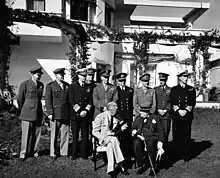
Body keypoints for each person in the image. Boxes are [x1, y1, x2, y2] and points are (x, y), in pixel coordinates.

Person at [132, 73, 164, 176]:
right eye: (144, 81)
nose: (146, 83)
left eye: (147, 81)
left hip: (150, 116)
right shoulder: (137, 91)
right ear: (141, 81)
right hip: (140, 116)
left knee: (150, 142)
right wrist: (141, 113)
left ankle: (152, 165)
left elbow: (154, 104)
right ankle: (141, 165)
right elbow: (135, 103)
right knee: (137, 143)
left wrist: (149, 113)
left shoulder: (152, 91)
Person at [92, 102, 129, 178]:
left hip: (112, 140)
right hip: (103, 140)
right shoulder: (100, 116)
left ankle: (111, 170)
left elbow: (123, 127)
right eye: (115, 110)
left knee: (111, 144)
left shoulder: (116, 117)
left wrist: (121, 128)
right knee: (114, 140)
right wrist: (103, 138)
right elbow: (94, 131)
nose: (117, 111)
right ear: (111, 110)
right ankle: (121, 164)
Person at [17, 67, 44, 161]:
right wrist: (23, 109)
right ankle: (23, 153)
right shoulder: (25, 84)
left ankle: (34, 151)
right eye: (37, 74)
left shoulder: (41, 85)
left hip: (38, 112)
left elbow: (39, 99)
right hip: (27, 112)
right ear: (32, 74)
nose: (39, 76)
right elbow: (20, 99)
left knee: (37, 133)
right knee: (26, 134)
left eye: (40, 75)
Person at [170, 70, 196, 162]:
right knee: (177, 135)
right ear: (180, 78)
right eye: (184, 76)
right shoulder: (174, 89)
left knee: (186, 135)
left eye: (187, 76)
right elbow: (172, 101)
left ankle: (186, 155)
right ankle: (176, 155)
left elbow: (192, 102)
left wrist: (185, 110)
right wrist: (178, 110)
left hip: (187, 116)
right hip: (177, 116)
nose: (186, 78)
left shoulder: (191, 89)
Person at [45, 68, 70, 160]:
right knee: (54, 134)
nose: (62, 76)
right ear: (55, 75)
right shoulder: (50, 86)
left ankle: (64, 152)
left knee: (65, 133)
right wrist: (50, 112)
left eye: (63, 74)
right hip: (55, 113)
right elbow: (48, 100)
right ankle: (53, 152)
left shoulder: (67, 85)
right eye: (60, 74)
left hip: (66, 113)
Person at [68, 68, 93, 160]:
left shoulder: (88, 87)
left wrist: (86, 111)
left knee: (85, 135)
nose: (84, 77)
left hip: (85, 115)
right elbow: (71, 100)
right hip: (75, 115)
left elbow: (90, 100)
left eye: (85, 76)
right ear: (78, 76)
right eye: (82, 76)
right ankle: (74, 154)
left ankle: (84, 154)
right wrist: (79, 111)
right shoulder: (72, 86)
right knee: (75, 136)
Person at [115, 72, 134, 164]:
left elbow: (131, 104)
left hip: (129, 116)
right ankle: (120, 154)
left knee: (129, 135)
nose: (122, 82)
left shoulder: (130, 90)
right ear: (117, 81)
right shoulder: (115, 90)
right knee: (120, 135)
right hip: (120, 117)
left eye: (124, 80)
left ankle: (129, 153)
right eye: (120, 81)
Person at [154, 72, 171, 157]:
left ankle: (165, 153)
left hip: (166, 115)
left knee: (165, 133)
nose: (162, 81)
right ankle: (157, 151)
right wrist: (158, 109)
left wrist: (166, 110)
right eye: (160, 80)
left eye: (163, 80)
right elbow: (154, 101)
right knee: (157, 133)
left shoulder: (170, 90)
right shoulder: (155, 89)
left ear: (166, 80)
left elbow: (171, 102)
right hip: (157, 115)